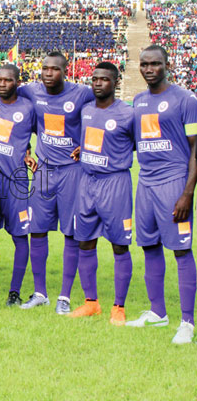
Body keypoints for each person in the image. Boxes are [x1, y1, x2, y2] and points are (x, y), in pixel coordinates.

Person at [125, 46, 197, 345]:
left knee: (180, 250)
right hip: (146, 184)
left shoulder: (185, 100)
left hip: (174, 183)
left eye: (156, 64)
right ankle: (157, 312)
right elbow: (133, 142)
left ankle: (187, 322)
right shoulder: (139, 100)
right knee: (149, 246)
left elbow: (196, 147)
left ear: (167, 65)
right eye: (144, 64)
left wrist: (187, 193)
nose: (149, 69)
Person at [17, 52, 95, 314]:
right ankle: (40, 293)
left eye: (54, 69)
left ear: (66, 71)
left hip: (72, 171)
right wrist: (26, 146)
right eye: (44, 69)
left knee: (71, 233)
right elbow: (8, 99)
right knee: (37, 229)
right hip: (44, 170)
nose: (48, 73)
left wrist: (88, 143)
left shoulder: (82, 93)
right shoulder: (31, 91)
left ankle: (64, 296)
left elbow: (106, 109)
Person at [69, 62, 134, 325]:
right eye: (94, 78)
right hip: (86, 181)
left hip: (115, 184)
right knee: (84, 241)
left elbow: (139, 144)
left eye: (104, 79)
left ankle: (119, 307)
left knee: (119, 244)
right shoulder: (85, 110)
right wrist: (82, 149)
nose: (97, 83)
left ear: (116, 83)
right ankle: (91, 302)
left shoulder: (128, 114)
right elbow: (92, 138)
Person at [0, 64, 37, 307]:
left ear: (18, 82)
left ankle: (15, 290)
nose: (2, 84)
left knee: (20, 236)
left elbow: (37, 133)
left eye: (8, 80)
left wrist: (29, 150)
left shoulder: (28, 108)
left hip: (17, 181)